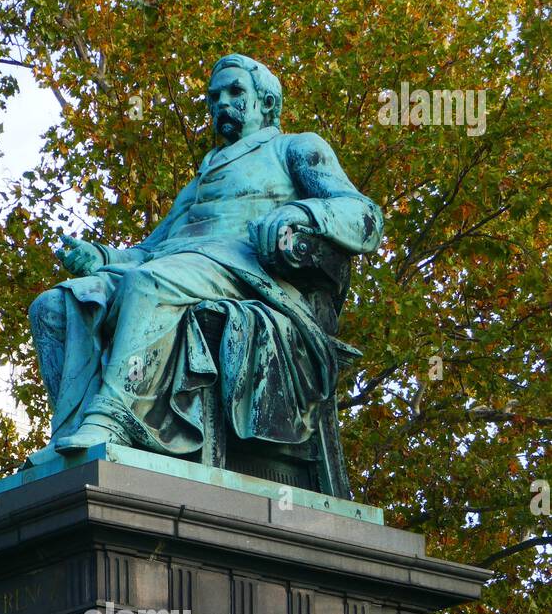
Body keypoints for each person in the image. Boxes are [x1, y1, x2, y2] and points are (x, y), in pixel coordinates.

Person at [28, 53, 383, 463]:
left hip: (250, 270)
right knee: (54, 305)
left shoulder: (295, 148)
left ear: (267, 103)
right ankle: (69, 436)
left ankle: (115, 417)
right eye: (214, 97)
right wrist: (100, 256)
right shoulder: (204, 176)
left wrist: (301, 213)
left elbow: (364, 215)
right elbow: (149, 249)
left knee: (148, 283)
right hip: (180, 263)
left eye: (235, 92)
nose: (222, 104)